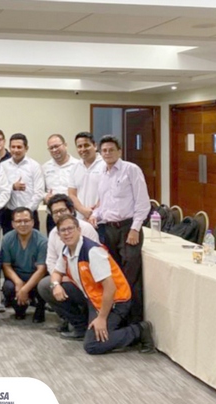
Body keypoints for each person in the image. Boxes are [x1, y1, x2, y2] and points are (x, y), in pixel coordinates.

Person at [45, 214, 154, 355]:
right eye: (63, 230)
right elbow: (56, 272)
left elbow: (110, 287)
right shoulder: (66, 251)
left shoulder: (92, 251)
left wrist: (101, 318)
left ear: (79, 230)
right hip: (93, 298)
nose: (67, 233)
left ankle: (139, 330)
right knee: (47, 286)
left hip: (115, 301)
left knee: (92, 345)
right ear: (59, 235)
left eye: (70, 229)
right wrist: (56, 285)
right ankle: (82, 327)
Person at [89, 135, 150, 324]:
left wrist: (135, 229)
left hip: (128, 228)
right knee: (114, 275)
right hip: (109, 229)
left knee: (130, 277)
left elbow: (143, 203)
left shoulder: (131, 170)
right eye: (104, 150)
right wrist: (95, 214)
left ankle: (135, 323)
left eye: (111, 150)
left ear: (120, 151)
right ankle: (118, 320)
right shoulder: (102, 173)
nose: (107, 153)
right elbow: (103, 203)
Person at [37, 194, 99, 332]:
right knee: (45, 285)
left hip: (90, 283)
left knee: (95, 338)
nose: (59, 215)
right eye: (55, 212)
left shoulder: (86, 229)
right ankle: (77, 323)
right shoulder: (54, 233)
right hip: (67, 279)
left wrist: (71, 277)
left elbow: (95, 262)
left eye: (62, 210)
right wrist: (57, 280)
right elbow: (51, 261)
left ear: (71, 210)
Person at [1, 207, 48, 322]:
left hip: (36, 278)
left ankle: (40, 307)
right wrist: (18, 283)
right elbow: (6, 265)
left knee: (43, 285)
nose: (22, 224)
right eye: (18, 221)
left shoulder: (42, 241)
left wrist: (24, 289)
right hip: (17, 277)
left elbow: (41, 270)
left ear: (33, 222)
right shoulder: (7, 239)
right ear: (13, 224)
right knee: (8, 287)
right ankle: (20, 308)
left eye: (26, 221)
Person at [0, 133, 45, 234]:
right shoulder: (3, 166)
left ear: (26, 148)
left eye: (19, 147)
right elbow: (0, 189)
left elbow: (39, 192)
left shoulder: (35, 166)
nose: (16, 150)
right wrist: (12, 187)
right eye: (13, 147)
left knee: (32, 242)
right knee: (9, 242)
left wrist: (26, 212)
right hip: (9, 214)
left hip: (30, 214)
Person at [42, 134, 80, 234]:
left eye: (56, 146)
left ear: (65, 145)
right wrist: (45, 196)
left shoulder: (78, 165)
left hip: (72, 213)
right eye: (51, 148)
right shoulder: (45, 167)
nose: (54, 150)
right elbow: (40, 190)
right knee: (54, 240)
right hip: (53, 215)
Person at [68, 132, 104, 220]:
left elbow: (108, 193)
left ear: (95, 146)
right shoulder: (75, 167)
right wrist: (83, 210)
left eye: (86, 145)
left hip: (102, 220)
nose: (83, 149)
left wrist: (94, 213)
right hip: (81, 219)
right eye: (79, 146)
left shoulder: (105, 165)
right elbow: (71, 194)